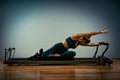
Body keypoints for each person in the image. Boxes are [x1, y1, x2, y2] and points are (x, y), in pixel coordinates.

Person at [29, 29, 109, 60]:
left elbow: (90, 45)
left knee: (73, 53)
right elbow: (90, 33)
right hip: (58, 47)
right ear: (84, 37)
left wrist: (99, 44)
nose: (86, 41)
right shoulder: (76, 36)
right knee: (44, 57)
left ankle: (57, 56)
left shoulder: (80, 43)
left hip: (62, 51)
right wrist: (101, 32)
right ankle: (39, 54)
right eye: (86, 39)